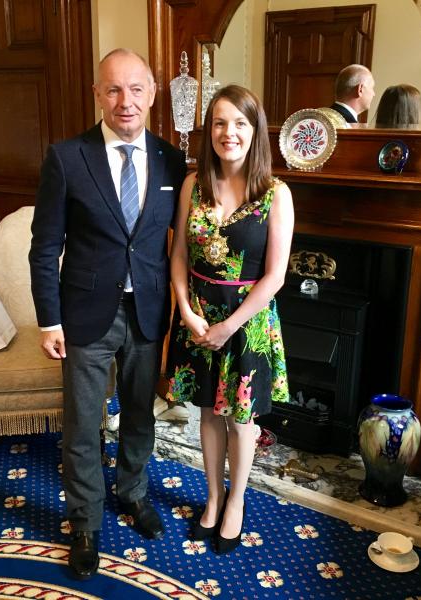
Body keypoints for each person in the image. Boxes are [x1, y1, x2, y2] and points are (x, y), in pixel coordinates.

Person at [29, 48, 187, 579]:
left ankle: (133, 492)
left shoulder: (171, 160)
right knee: (82, 424)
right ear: (97, 93)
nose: (126, 101)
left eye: (136, 89)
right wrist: (49, 320)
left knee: (141, 413)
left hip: (148, 310)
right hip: (85, 314)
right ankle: (85, 522)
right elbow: (44, 248)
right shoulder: (66, 158)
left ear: (152, 94)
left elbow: (180, 241)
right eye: (114, 89)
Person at [166, 85, 294, 555]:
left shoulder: (276, 194)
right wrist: (184, 308)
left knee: (241, 420)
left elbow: (276, 276)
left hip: (246, 323)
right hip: (199, 319)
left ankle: (236, 501)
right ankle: (213, 497)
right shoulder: (193, 184)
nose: (229, 132)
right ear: (210, 131)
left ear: (255, 131)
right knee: (207, 413)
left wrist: (229, 325)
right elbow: (179, 255)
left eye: (240, 123)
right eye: (219, 122)